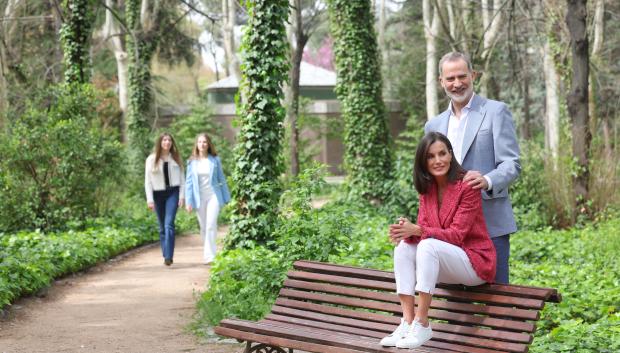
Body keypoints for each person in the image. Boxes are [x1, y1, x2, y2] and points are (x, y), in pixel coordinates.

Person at [380, 132, 496, 349]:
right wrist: (406, 231)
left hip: (474, 263)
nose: (438, 160)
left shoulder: (467, 185)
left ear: (451, 155)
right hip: (443, 261)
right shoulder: (427, 189)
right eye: (431, 156)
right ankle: (407, 321)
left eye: (442, 153)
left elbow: (457, 235)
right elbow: (426, 229)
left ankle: (422, 322)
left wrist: (417, 229)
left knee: (426, 244)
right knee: (404, 248)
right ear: (423, 161)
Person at [425, 52, 520, 284]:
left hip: (490, 221)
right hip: (449, 226)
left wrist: (487, 180)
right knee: (455, 300)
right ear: (441, 82)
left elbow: (512, 163)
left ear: (473, 75)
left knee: (497, 296)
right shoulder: (433, 124)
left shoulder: (496, 111)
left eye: (462, 76)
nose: (457, 84)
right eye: (450, 79)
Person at [185, 133, 231, 265]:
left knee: (211, 225)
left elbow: (221, 178)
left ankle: (210, 256)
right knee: (204, 227)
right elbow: (189, 183)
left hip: (213, 196)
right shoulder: (191, 162)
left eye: (204, 142)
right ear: (197, 145)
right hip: (199, 198)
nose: (202, 144)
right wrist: (189, 201)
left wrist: (226, 198)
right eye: (199, 142)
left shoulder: (215, 160)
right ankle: (209, 252)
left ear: (208, 144)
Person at [145, 132, 185, 266]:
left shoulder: (176, 158)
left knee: (169, 224)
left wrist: (181, 197)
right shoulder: (151, 159)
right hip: (157, 194)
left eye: (169, 140)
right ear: (160, 143)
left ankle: (168, 256)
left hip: (173, 192)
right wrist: (150, 199)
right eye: (164, 140)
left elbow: (182, 180)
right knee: (162, 227)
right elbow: (148, 181)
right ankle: (166, 253)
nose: (167, 142)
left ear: (172, 143)